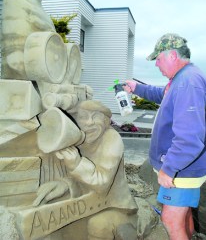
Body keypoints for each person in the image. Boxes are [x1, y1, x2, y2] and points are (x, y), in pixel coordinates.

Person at [124, 33, 206, 240]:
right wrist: (137, 88)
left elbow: (190, 136)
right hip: (185, 170)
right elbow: (162, 94)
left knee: (170, 220)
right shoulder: (181, 79)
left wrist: (169, 169)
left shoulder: (188, 82)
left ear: (171, 56)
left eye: (158, 59)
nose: (156, 65)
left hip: (182, 171)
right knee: (183, 212)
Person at [54, 100, 138, 240]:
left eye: (96, 116)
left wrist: (76, 164)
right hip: (87, 203)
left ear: (106, 121)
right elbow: (76, 178)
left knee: (98, 225)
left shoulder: (111, 138)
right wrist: (64, 184)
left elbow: (102, 183)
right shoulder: (76, 139)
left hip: (113, 205)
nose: (89, 122)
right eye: (82, 117)